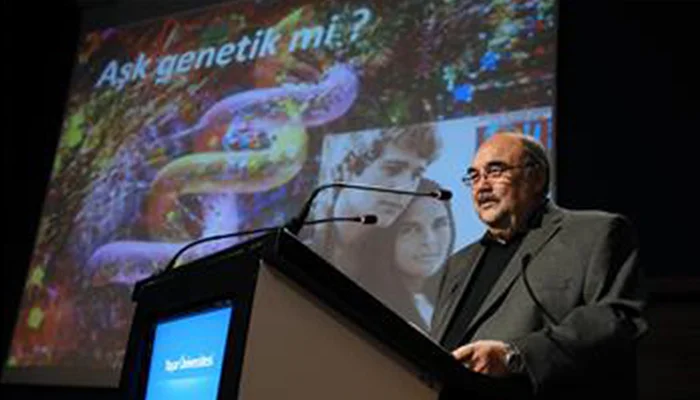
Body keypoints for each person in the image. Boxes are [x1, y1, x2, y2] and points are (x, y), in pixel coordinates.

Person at [431, 132, 648, 399]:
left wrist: (514, 357)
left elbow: (615, 320)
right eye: (474, 177)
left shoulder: (594, 233)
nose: (482, 186)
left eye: (495, 171)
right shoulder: (457, 264)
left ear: (536, 177)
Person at [308, 122, 441, 280]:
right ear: (348, 168)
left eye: (416, 175)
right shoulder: (304, 229)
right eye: (393, 169)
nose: (405, 188)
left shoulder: (398, 251)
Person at [355, 178, 456, 331]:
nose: (429, 241)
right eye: (410, 229)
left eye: (439, 224)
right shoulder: (370, 303)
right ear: (385, 238)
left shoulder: (449, 299)